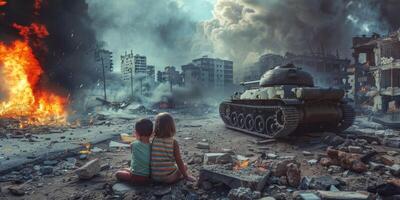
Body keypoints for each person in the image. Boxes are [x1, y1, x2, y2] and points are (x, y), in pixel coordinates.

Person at [151, 112, 196, 183]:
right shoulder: (174, 142)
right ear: (172, 126)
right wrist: (186, 176)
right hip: (168, 178)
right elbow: (178, 160)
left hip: (154, 177)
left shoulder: (152, 139)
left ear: (156, 126)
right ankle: (180, 177)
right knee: (185, 166)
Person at [115, 118, 153, 184]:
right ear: (152, 133)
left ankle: (132, 174)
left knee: (118, 173)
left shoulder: (133, 144)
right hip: (149, 176)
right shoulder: (152, 146)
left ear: (136, 133)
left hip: (135, 176)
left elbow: (134, 157)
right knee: (126, 168)